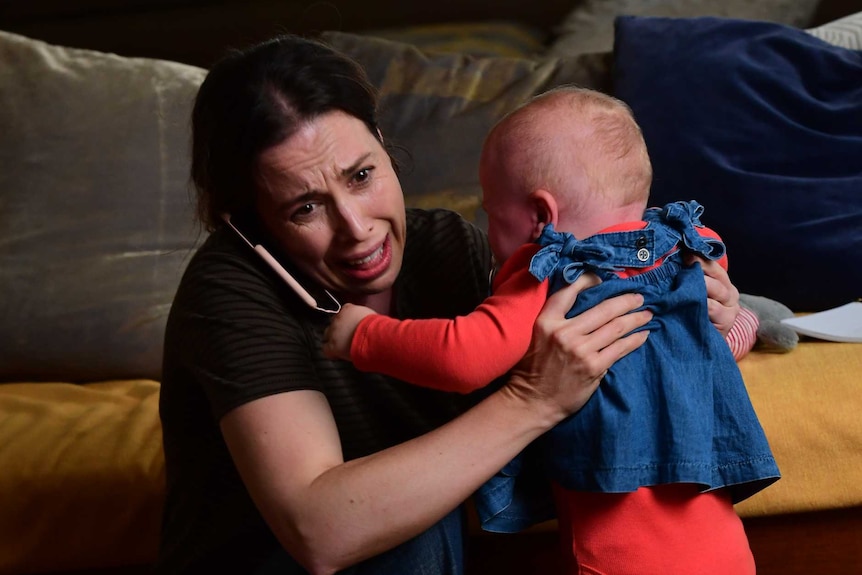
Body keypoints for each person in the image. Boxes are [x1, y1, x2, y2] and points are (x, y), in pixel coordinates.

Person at [323, 87, 779, 574]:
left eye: (491, 213)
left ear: (541, 217)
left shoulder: (553, 272)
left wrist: (362, 335)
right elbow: (704, 340)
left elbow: (464, 358)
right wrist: (740, 320)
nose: (487, 229)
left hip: (620, 559)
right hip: (726, 551)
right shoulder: (694, 246)